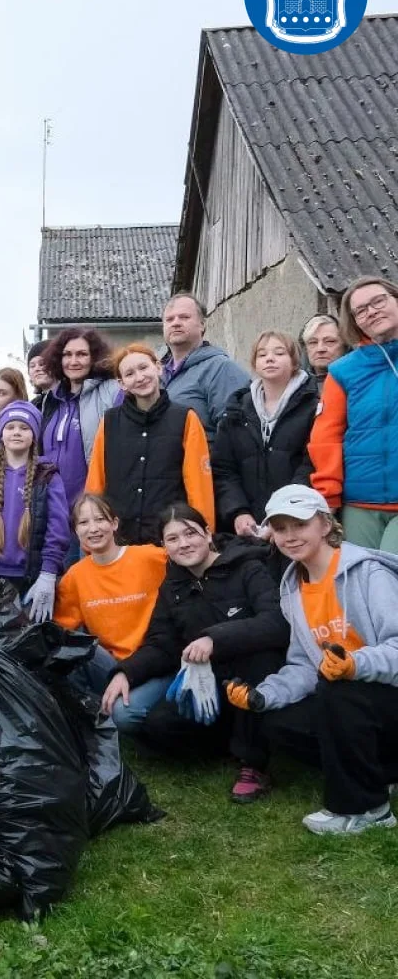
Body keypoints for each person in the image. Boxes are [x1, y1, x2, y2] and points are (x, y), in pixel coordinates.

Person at [226, 484, 398, 834]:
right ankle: (381, 772)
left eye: (300, 524)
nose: (290, 536)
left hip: (384, 692)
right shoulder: (293, 588)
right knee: (277, 722)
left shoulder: (369, 573)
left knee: (338, 692)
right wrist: (264, 696)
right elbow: (305, 663)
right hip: (356, 704)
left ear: (325, 524)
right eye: (280, 528)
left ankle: (366, 809)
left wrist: (355, 664)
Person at [101, 503, 288, 803]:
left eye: (190, 533)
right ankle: (225, 744)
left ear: (208, 533)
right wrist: (126, 672)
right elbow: (162, 642)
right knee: (157, 724)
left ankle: (253, 764)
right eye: (173, 538)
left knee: (260, 660)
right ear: (164, 546)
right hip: (206, 680)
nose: (184, 543)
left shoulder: (248, 567)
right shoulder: (172, 585)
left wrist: (215, 639)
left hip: (253, 672)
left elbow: (277, 622)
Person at [86, 343, 214, 545]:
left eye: (143, 367)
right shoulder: (109, 422)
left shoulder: (185, 418)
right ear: (122, 383)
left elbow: (199, 486)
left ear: (158, 367)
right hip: (120, 542)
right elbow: (96, 483)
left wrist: (204, 534)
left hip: (171, 541)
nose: (139, 377)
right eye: (129, 374)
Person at [54, 493, 169, 713]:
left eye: (100, 519)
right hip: (110, 666)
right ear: (76, 531)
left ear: (114, 523)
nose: (93, 529)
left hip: (151, 660)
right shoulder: (75, 576)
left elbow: (188, 556)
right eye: (84, 523)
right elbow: (61, 629)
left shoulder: (149, 557)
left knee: (125, 713)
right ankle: (90, 713)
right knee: (71, 648)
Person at [309, 276, 398, 553]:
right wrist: (327, 496)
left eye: (378, 301)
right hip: (360, 501)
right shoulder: (343, 371)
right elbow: (326, 438)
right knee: (360, 575)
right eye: (360, 310)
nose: (371, 312)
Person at [0, 400, 70, 615]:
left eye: (24, 428)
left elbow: (57, 529)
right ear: (1, 434)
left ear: (34, 436)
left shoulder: (47, 477)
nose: (16, 432)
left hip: (32, 579)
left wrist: (48, 574)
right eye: (10, 427)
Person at [212, 330, 317, 537]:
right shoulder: (236, 410)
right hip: (248, 527)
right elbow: (223, 469)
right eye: (262, 354)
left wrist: (284, 512)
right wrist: (238, 512)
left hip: (296, 521)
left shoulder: (312, 407)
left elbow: (311, 464)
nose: (270, 358)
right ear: (254, 363)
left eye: (279, 353)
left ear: (294, 361)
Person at [40, 328, 122, 516]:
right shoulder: (50, 400)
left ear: (94, 357)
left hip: (94, 508)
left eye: (82, 354)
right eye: (67, 354)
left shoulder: (112, 391)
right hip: (53, 507)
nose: (73, 361)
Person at [159, 293, 250, 441]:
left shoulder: (221, 369)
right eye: (169, 319)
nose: (176, 323)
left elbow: (235, 433)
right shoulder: (156, 375)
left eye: (184, 317)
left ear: (202, 325)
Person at [299, 314, 347, 391]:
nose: (320, 349)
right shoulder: (294, 389)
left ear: (345, 346)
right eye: (313, 342)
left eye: (329, 341)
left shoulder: (360, 384)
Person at [27, 340, 54, 415]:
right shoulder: (31, 407)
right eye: (32, 366)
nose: (37, 369)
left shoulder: (70, 399)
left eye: (42, 364)